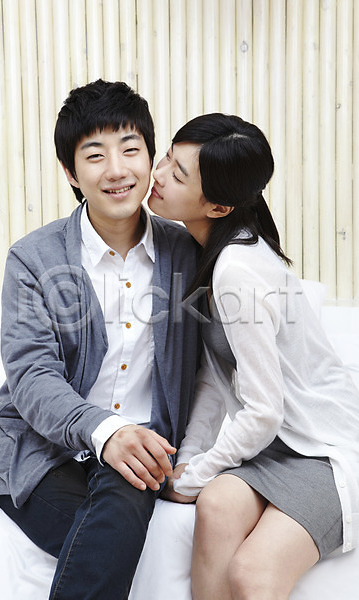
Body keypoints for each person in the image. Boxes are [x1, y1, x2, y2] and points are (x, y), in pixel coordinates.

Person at [0, 79, 201, 600]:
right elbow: (32, 376)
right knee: (118, 517)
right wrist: (107, 432)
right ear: (71, 173)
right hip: (42, 451)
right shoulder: (34, 258)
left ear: (151, 158)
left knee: (128, 484)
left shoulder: (188, 253)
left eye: (130, 149)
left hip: (142, 453)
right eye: (95, 155)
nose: (117, 170)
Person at [148, 113, 359, 600]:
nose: (158, 175)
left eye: (178, 174)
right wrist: (191, 464)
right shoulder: (204, 255)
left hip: (324, 451)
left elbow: (264, 410)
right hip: (274, 447)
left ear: (219, 206)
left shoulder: (237, 270)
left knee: (251, 572)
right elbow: (212, 379)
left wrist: (195, 476)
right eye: (167, 158)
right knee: (216, 504)